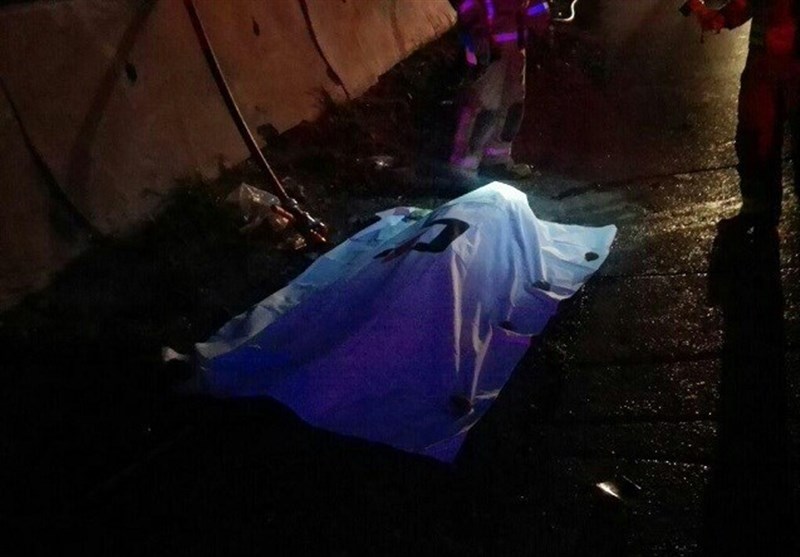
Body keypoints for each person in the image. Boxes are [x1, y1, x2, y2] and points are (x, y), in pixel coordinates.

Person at [687, 0, 800, 231]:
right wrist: (721, 17)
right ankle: (757, 211)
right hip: (764, 68)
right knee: (754, 140)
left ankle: (759, 212)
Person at [446, 0, 552, 187]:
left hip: (515, 44)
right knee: (483, 106)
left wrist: (541, 23)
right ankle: (463, 167)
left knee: (511, 105)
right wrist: (477, 30)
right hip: (486, 43)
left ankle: (496, 159)